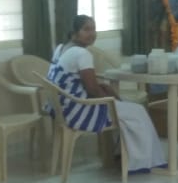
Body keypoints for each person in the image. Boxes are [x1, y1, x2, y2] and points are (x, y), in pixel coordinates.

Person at [48, 15, 166, 174]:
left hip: (62, 108)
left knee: (124, 107)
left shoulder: (61, 48)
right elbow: (92, 90)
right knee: (138, 111)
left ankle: (121, 155)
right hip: (79, 111)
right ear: (74, 33)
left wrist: (107, 91)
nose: (92, 34)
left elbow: (74, 82)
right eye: (86, 30)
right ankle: (140, 162)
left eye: (94, 29)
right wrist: (111, 99)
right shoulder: (82, 54)